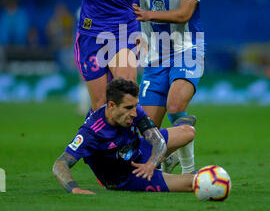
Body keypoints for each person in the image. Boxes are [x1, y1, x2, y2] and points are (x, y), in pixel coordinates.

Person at [133, 0, 205, 174]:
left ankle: (190, 172)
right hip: (155, 54)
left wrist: (148, 14)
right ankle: (167, 157)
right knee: (146, 132)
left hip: (187, 48)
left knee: (175, 106)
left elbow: (184, 14)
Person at [52, 78, 197, 194]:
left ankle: (165, 160)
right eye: (128, 108)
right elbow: (60, 165)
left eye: (135, 106)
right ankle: (175, 167)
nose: (135, 113)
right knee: (194, 183)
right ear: (111, 105)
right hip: (128, 177)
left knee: (189, 132)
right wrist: (74, 189)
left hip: (138, 151)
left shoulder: (134, 109)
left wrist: (152, 163)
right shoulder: (91, 132)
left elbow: (157, 141)